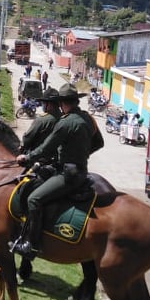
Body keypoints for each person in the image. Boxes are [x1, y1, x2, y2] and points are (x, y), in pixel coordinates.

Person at [13, 83, 104, 259]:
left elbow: (46, 149)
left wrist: (26, 158)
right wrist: (82, 153)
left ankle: (31, 246)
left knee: (34, 199)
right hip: (82, 170)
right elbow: (99, 143)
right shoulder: (87, 118)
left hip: (68, 175)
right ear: (76, 101)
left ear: (62, 103)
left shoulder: (65, 123)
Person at [19, 88, 61, 156]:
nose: (43, 105)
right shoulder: (63, 118)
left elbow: (28, 138)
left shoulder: (42, 120)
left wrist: (21, 146)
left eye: (43, 103)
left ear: (49, 104)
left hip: (39, 158)